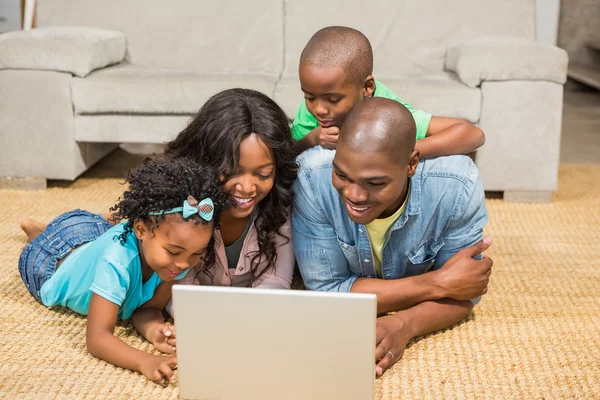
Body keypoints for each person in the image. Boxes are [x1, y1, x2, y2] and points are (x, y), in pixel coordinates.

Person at [292, 98, 493, 378]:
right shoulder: (312, 177)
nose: (354, 195)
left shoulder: (456, 185)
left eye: (374, 183)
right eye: (342, 174)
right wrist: (439, 282)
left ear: (411, 164)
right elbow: (326, 291)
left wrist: (406, 324)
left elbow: (465, 291)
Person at [18, 157, 231, 383]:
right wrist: (144, 360)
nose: (184, 264)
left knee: (106, 228)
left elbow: (147, 309)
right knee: (42, 239)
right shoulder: (115, 261)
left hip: (93, 234)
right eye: (174, 251)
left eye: (197, 253)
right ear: (141, 229)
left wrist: (153, 329)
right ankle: (37, 232)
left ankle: (102, 221)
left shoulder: (177, 259)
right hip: (52, 259)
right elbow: (97, 338)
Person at [292, 26, 485, 157]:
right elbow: (286, 154)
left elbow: (473, 134)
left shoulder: (389, 113)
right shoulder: (313, 108)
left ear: (367, 88)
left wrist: (399, 152)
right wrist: (311, 139)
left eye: (333, 99)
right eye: (309, 97)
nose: (319, 109)